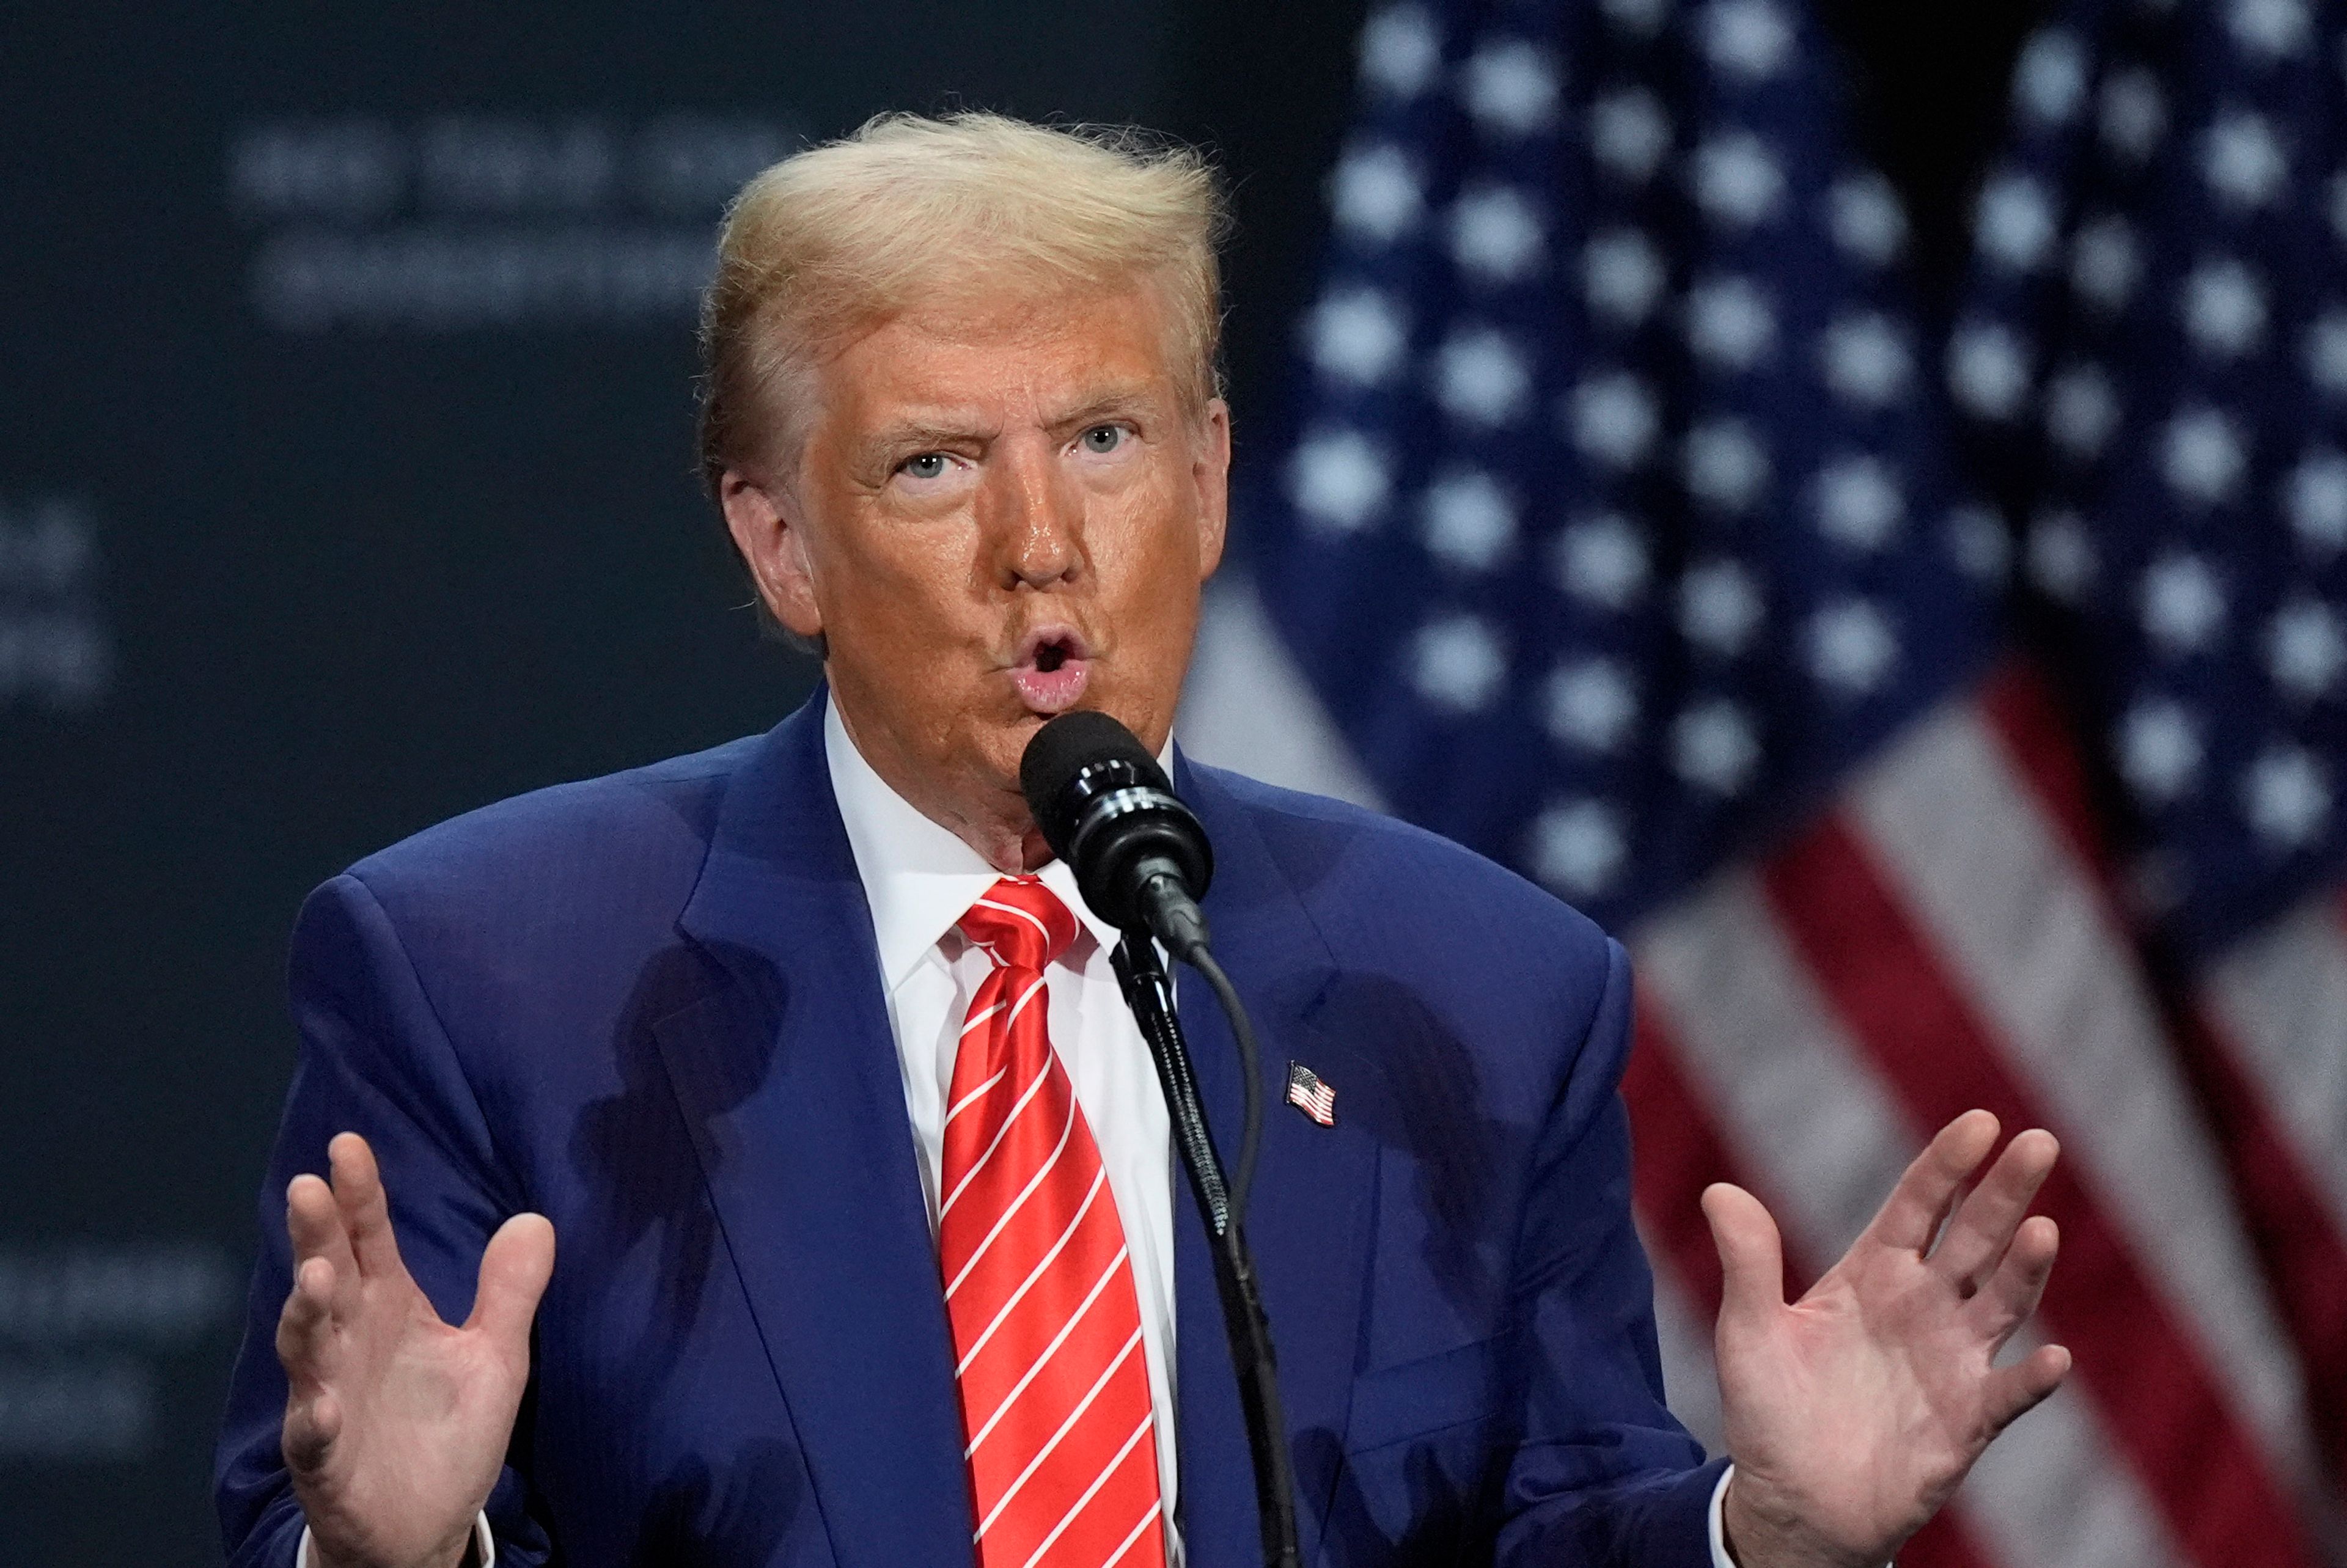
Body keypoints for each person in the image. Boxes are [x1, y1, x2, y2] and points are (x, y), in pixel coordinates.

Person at [215, 113, 2070, 1568]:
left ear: (1209, 480)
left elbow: (1556, 1536)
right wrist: (402, 1561)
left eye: (1103, 439)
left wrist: (1769, 1541)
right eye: (935, 462)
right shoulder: (495, 980)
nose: (1045, 542)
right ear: (781, 545)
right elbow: (347, 1509)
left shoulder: (1484, 994)